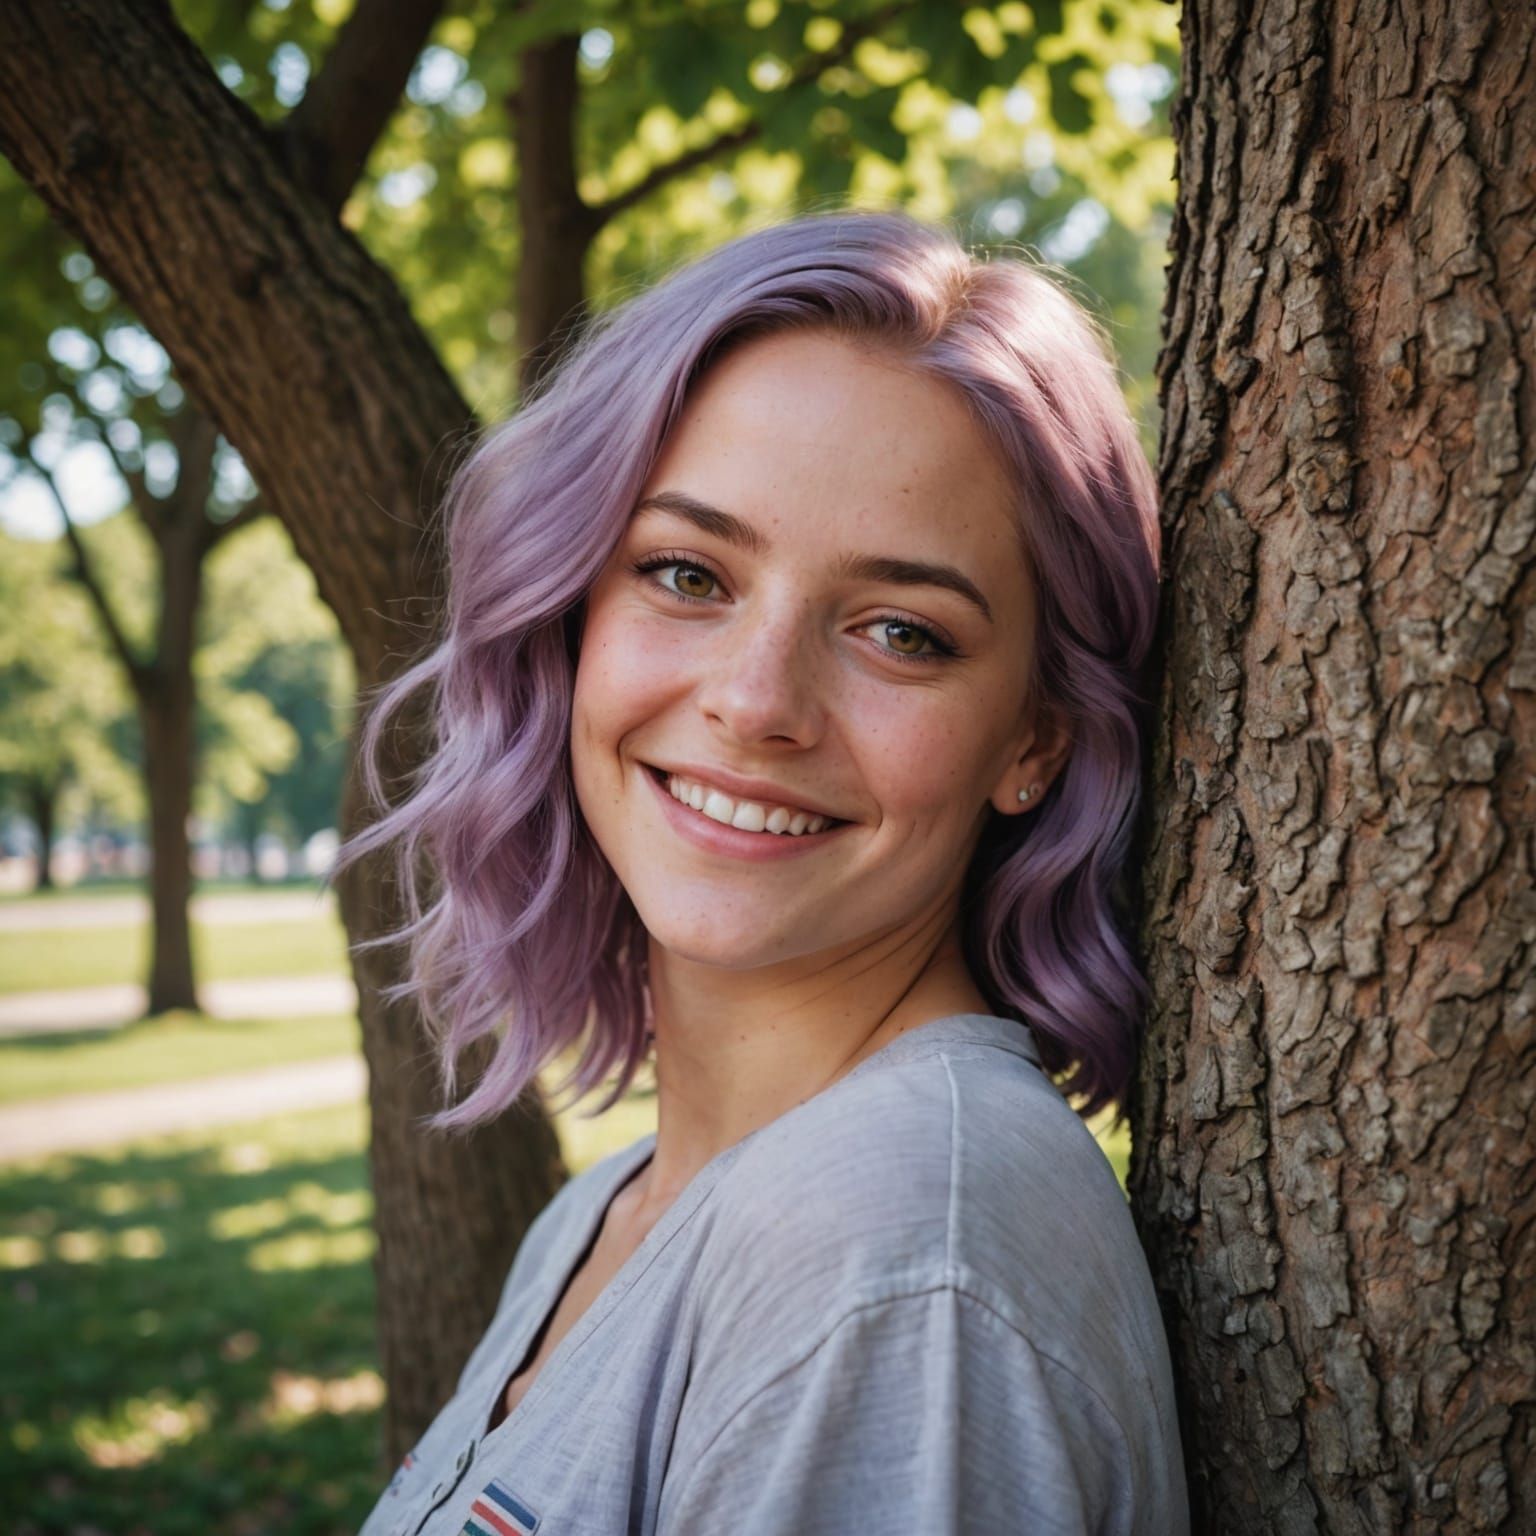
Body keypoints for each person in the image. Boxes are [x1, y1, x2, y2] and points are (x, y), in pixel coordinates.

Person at [337, 206, 1189, 1536]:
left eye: (903, 632)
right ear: (571, 608)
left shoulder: (902, 1256)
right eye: (687, 572)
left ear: (1036, 739)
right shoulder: (603, 1211)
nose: (755, 701)